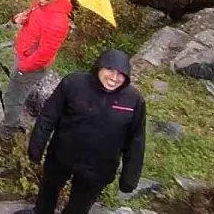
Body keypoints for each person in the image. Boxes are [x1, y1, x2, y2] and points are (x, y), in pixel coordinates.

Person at [24, 49, 146, 214]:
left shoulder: (134, 100)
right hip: (62, 155)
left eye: (121, 74)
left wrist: (129, 179)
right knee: (48, 191)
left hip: (98, 168)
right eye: (110, 70)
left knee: (79, 207)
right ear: (99, 67)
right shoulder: (73, 84)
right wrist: (36, 147)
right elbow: (48, 116)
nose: (114, 78)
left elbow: (136, 141)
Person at [0, 0, 73, 128]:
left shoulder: (58, 22)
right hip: (24, 55)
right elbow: (33, 16)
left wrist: (23, 68)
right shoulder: (41, 3)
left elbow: (44, 54)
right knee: (19, 90)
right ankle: (28, 100)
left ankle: (8, 129)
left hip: (30, 65)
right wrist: (20, 19)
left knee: (12, 98)